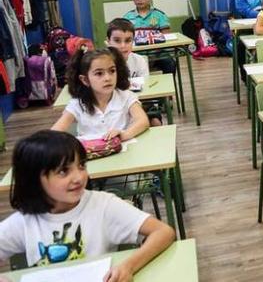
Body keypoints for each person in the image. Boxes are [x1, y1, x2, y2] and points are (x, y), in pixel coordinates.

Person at [0, 130, 175, 276]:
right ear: (34, 179)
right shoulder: (25, 221)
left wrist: (128, 266)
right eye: (63, 171)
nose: (78, 177)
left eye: (82, 166)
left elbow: (163, 232)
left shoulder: (103, 205)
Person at [51, 47, 149, 142]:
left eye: (112, 71)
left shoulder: (126, 96)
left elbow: (143, 121)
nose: (108, 78)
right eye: (99, 73)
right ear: (85, 80)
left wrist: (124, 134)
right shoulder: (77, 104)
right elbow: (55, 133)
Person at [106, 18, 163, 127]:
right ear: (108, 41)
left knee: (155, 122)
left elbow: (146, 89)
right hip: (111, 105)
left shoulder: (139, 60)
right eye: (117, 41)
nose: (123, 46)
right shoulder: (103, 63)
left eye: (128, 40)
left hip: (138, 102)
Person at [123, 0, 175, 75]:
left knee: (170, 63)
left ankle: (170, 88)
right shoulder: (127, 17)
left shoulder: (159, 15)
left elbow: (167, 37)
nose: (139, 0)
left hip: (158, 54)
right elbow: (124, 39)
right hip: (136, 55)